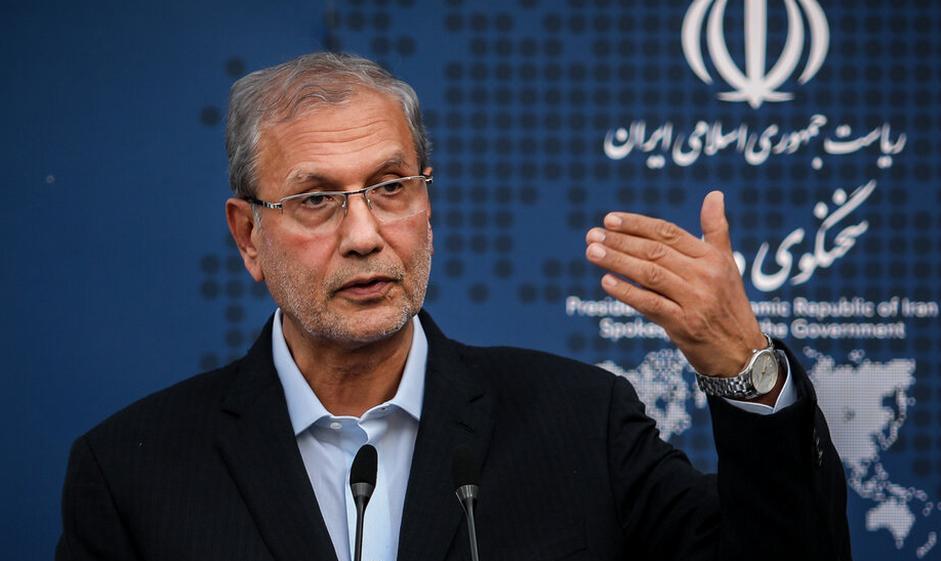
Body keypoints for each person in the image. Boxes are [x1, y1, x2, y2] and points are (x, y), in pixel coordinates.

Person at [56, 52, 851, 561]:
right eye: (316, 200)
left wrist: (745, 371)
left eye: (390, 187)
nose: (364, 235)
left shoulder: (581, 424)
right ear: (248, 236)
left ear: (426, 203)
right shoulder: (133, 471)